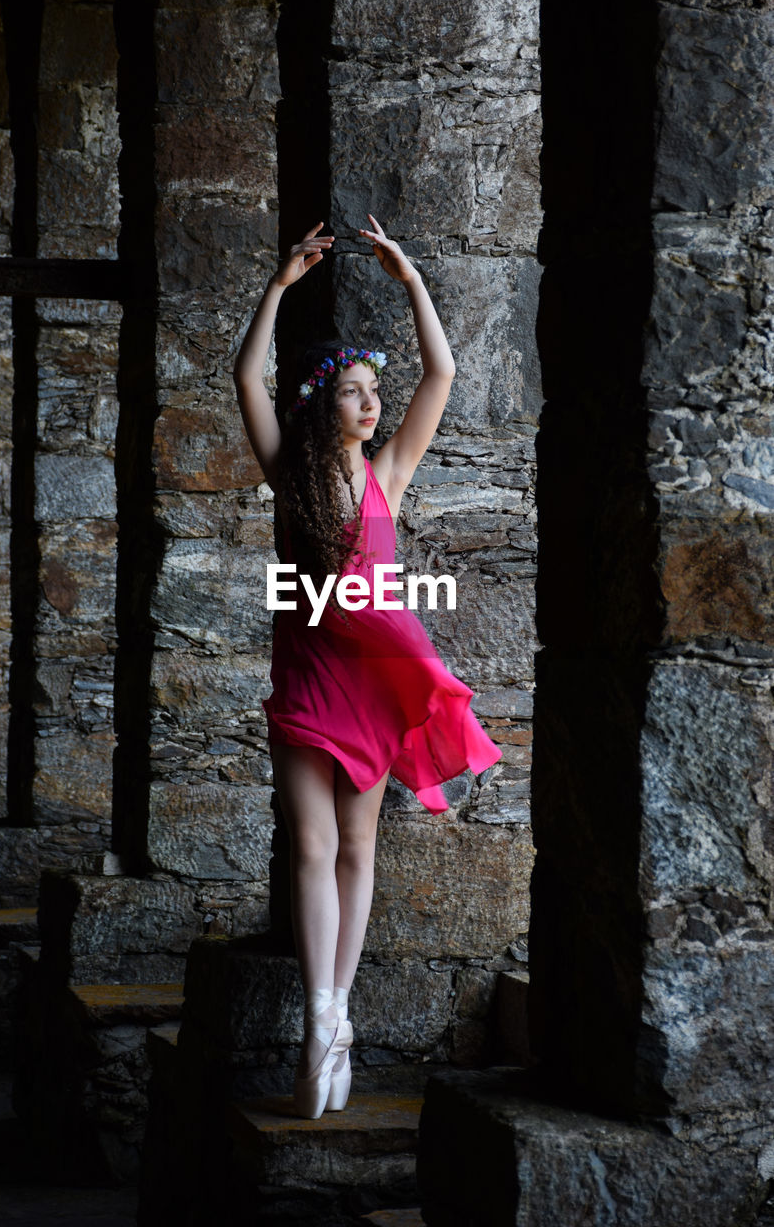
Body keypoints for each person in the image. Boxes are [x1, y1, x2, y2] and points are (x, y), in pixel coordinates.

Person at [233, 215, 502, 1119]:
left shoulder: (389, 471)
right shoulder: (292, 476)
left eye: (369, 392)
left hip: (372, 684)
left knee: (357, 848)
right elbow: (245, 379)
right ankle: (318, 1017)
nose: (368, 403)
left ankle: (339, 1013)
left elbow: (443, 374)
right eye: (350, 392)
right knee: (310, 846)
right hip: (310, 679)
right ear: (324, 405)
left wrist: (410, 280)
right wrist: (278, 287)